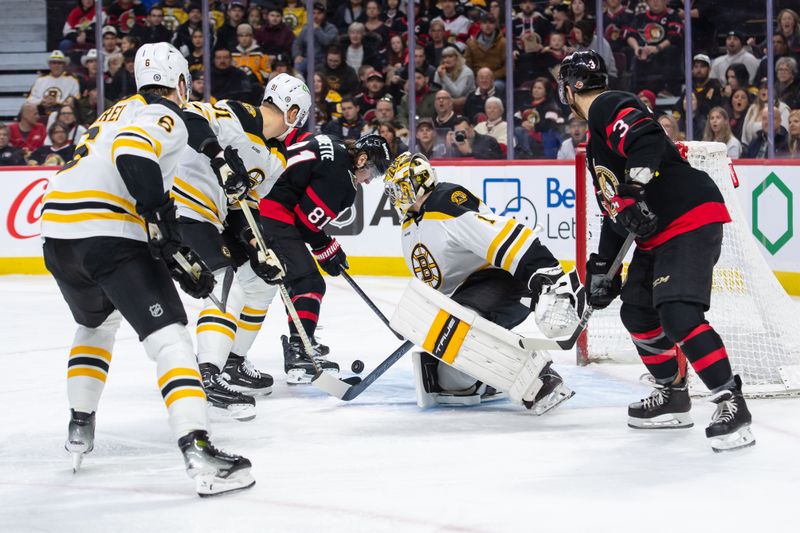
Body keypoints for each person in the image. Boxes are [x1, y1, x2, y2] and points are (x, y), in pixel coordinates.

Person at [40, 42, 254, 496]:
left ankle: (80, 425)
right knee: (172, 340)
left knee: (96, 326)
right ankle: (199, 450)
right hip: (108, 235)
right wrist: (161, 224)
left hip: (58, 239)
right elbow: (134, 155)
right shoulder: (165, 115)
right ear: (180, 83)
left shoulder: (115, 111)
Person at [558, 50, 755, 452]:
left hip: (687, 215)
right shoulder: (596, 146)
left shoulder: (607, 105)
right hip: (658, 231)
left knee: (678, 312)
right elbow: (617, 214)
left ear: (569, 88)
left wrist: (633, 189)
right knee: (637, 310)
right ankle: (673, 395)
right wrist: (603, 272)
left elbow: (645, 139)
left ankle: (730, 402)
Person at [382, 151, 580, 410]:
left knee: (463, 327)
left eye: (401, 188)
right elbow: (435, 284)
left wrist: (543, 272)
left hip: (505, 281)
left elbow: (499, 236)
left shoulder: (445, 202)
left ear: (419, 181)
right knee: (453, 380)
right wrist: (417, 319)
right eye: (392, 191)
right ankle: (490, 380)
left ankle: (540, 379)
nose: (396, 197)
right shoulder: (410, 225)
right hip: (470, 291)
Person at [177, 74, 311, 419]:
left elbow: (244, 207)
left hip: (214, 219)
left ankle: (232, 362)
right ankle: (206, 373)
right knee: (227, 288)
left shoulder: (276, 157)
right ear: (294, 112)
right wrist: (216, 154)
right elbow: (187, 118)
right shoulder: (233, 114)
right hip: (180, 208)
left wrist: (257, 245)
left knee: (260, 281)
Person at [258, 134, 392, 383]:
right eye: (374, 171)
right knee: (309, 282)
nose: (371, 180)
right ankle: (300, 351)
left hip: (263, 202)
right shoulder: (342, 180)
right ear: (362, 159)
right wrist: (327, 248)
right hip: (272, 212)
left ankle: (302, 341)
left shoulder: (335, 144)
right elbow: (306, 225)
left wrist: (325, 248)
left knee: (296, 280)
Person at [626, 0, 684, 95]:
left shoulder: (672, 15)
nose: (655, 2)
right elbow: (630, 36)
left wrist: (657, 48)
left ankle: (668, 90)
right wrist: (637, 48)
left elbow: (674, 36)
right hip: (643, 51)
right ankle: (634, 93)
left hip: (663, 52)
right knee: (629, 52)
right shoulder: (640, 17)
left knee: (672, 50)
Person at [292, 2, 339, 75]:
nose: (315, 16)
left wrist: (317, 28)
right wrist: (297, 55)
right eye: (313, 13)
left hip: (324, 61)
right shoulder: (305, 28)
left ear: (324, 14)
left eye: (319, 13)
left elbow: (326, 41)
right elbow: (297, 43)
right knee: (298, 65)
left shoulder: (331, 28)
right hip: (308, 59)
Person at [464, 13, 506, 93]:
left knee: (496, 86)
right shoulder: (471, 43)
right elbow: (467, 65)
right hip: (476, 80)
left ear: (495, 25)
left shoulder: (503, 43)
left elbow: (508, 66)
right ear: (480, 25)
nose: (487, 25)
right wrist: (478, 79)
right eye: (484, 23)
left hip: (496, 80)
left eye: (491, 23)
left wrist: (490, 77)